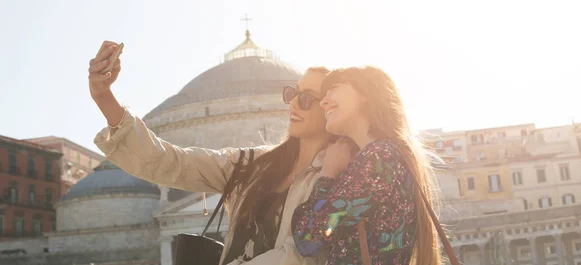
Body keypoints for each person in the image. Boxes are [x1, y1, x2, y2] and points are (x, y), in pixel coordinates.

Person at [87, 41, 338, 265]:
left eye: (306, 98)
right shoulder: (253, 164)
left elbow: (303, 255)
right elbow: (172, 162)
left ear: (330, 108)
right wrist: (104, 96)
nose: (293, 103)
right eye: (292, 93)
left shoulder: (338, 176)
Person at [291, 66, 443, 265]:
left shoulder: (380, 158)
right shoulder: (388, 154)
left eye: (334, 88)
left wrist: (327, 173)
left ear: (366, 94)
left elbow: (308, 239)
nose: (324, 101)